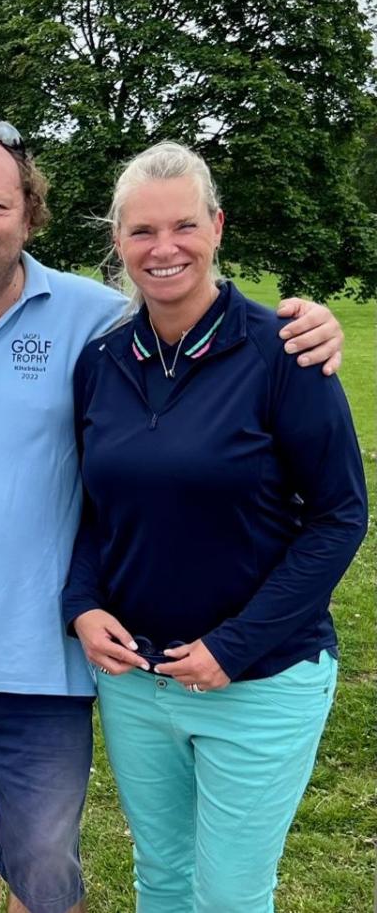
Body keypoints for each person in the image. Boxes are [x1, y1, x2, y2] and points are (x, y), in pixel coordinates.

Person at [0, 108, 345, 913]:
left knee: (46, 879)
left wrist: (311, 325)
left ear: (29, 214)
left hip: (44, 663)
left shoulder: (93, 317)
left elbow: (197, 311)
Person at [63, 142, 366, 912]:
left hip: (260, 681)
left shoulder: (284, 351)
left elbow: (339, 515)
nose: (163, 248)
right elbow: (94, 508)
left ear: (218, 227)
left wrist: (235, 646)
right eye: (142, 231)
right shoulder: (101, 362)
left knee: (229, 895)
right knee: (162, 880)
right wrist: (82, 603)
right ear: (118, 240)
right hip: (137, 681)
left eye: (184, 226)